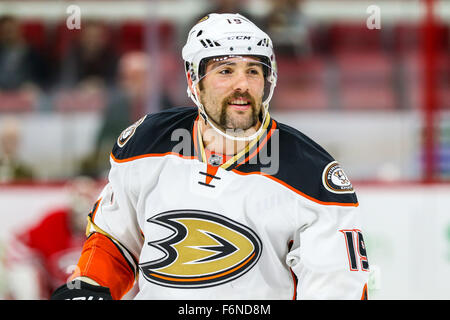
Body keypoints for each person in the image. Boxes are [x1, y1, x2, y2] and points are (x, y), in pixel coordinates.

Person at [51, 13, 370, 300]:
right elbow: (115, 236)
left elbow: (338, 286)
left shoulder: (312, 174)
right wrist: (91, 284)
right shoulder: (147, 143)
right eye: (226, 70)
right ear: (194, 80)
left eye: (253, 71)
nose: (242, 85)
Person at [3, 177, 99, 299]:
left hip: (78, 290)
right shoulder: (52, 223)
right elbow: (19, 244)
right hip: (54, 287)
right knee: (26, 279)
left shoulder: (102, 227)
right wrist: (35, 273)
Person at [0, 116, 33, 182]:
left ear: (19, 142)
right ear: (2, 140)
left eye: (13, 139)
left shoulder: (26, 172)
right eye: (7, 138)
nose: (10, 143)